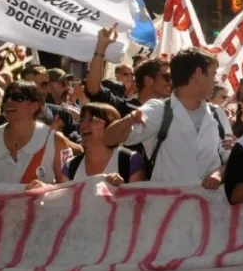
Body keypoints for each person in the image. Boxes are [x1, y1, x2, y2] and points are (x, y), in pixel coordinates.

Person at [104, 48, 234, 188]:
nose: (215, 81)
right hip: (166, 206)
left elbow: (230, 157)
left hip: (209, 206)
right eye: (213, 74)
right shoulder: (158, 110)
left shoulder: (218, 114)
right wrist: (128, 120)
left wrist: (220, 173)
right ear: (198, 74)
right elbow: (109, 139)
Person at [0, 81, 70, 190]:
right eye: (6, 97)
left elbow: (68, 188)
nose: (9, 101)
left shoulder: (55, 141)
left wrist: (47, 188)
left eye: (18, 97)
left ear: (34, 106)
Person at [85, 28, 172, 116]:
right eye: (167, 78)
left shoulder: (169, 116)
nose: (171, 82)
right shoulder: (122, 107)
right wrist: (101, 46)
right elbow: (93, 89)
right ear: (148, 80)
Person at [65, 103, 146, 185]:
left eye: (92, 119)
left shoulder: (130, 160)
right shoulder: (70, 166)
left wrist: (120, 189)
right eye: (81, 120)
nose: (83, 125)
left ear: (111, 124)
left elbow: (138, 196)